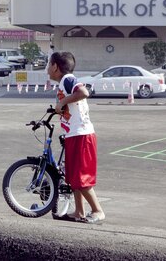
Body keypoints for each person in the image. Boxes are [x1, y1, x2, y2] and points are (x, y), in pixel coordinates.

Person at [47, 51, 105, 224]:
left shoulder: (67, 79)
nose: (47, 69)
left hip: (82, 135)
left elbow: (83, 92)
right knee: (72, 177)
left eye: (49, 64)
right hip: (74, 134)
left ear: (56, 66)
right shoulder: (63, 83)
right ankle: (79, 211)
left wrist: (62, 102)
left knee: (81, 176)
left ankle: (97, 210)